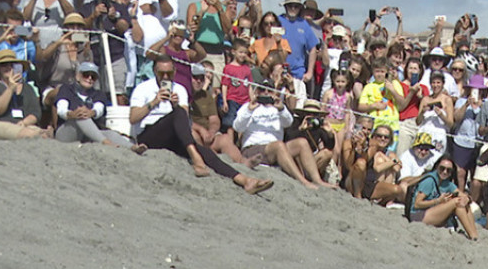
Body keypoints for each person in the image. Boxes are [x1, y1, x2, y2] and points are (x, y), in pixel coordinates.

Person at [130, 56, 273, 194]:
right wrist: (154, 102)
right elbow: (133, 118)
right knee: (188, 133)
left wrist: (174, 105)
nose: (166, 77)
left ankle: (244, 180)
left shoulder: (179, 89)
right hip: (150, 134)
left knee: (207, 153)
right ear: (155, 71)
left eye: (169, 73)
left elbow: (184, 119)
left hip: (172, 136)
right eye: (162, 73)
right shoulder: (143, 88)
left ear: (174, 72)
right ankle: (196, 159)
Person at [233, 81, 334, 189]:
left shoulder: (278, 109)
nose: (266, 93)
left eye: (270, 90)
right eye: (262, 90)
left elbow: (288, 122)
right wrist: (249, 110)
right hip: (253, 147)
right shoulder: (248, 107)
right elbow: (237, 127)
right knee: (279, 145)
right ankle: (303, 181)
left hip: (275, 149)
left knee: (301, 142)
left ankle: (317, 180)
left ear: (274, 92)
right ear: (257, 92)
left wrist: (281, 109)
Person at [54, 62, 143, 151]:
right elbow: (61, 109)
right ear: (78, 76)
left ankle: (132, 147)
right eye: (86, 75)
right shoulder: (66, 89)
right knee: (81, 115)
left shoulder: (98, 94)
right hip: (67, 132)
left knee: (109, 133)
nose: (89, 78)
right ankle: (105, 142)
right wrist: (72, 114)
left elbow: (99, 109)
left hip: (89, 135)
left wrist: (92, 113)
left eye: (93, 77)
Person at [0, 49, 49, 140]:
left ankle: (41, 134)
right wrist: (10, 89)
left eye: (12, 65)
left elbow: (35, 112)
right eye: (4, 65)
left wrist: (24, 122)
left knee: (37, 131)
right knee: (12, 130)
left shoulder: (27, 88)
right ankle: (33, 134)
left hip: (19, 125)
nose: (9, 68)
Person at [409, 157, 479, 240]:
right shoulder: (429, 180)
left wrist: (467, 198)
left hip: (432, 212)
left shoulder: (447, 183)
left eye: (448, 170)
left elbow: (462, 195)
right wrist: (437, 201)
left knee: (463, 202)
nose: (444, 172)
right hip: (419, 215)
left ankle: (474, 235)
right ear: (437, 167)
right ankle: (472, 235)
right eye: (442, 168)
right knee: (456, 202)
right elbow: (417, 204)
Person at [276, 0, 321, 88]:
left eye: (296, 6)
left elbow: (313, 48)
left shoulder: (304, 24)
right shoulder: (277, 21)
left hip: (298, 74)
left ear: (300, 8)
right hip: (278, 72)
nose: (293, 8)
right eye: (290, 6)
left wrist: (309, 72)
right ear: (285, 7)